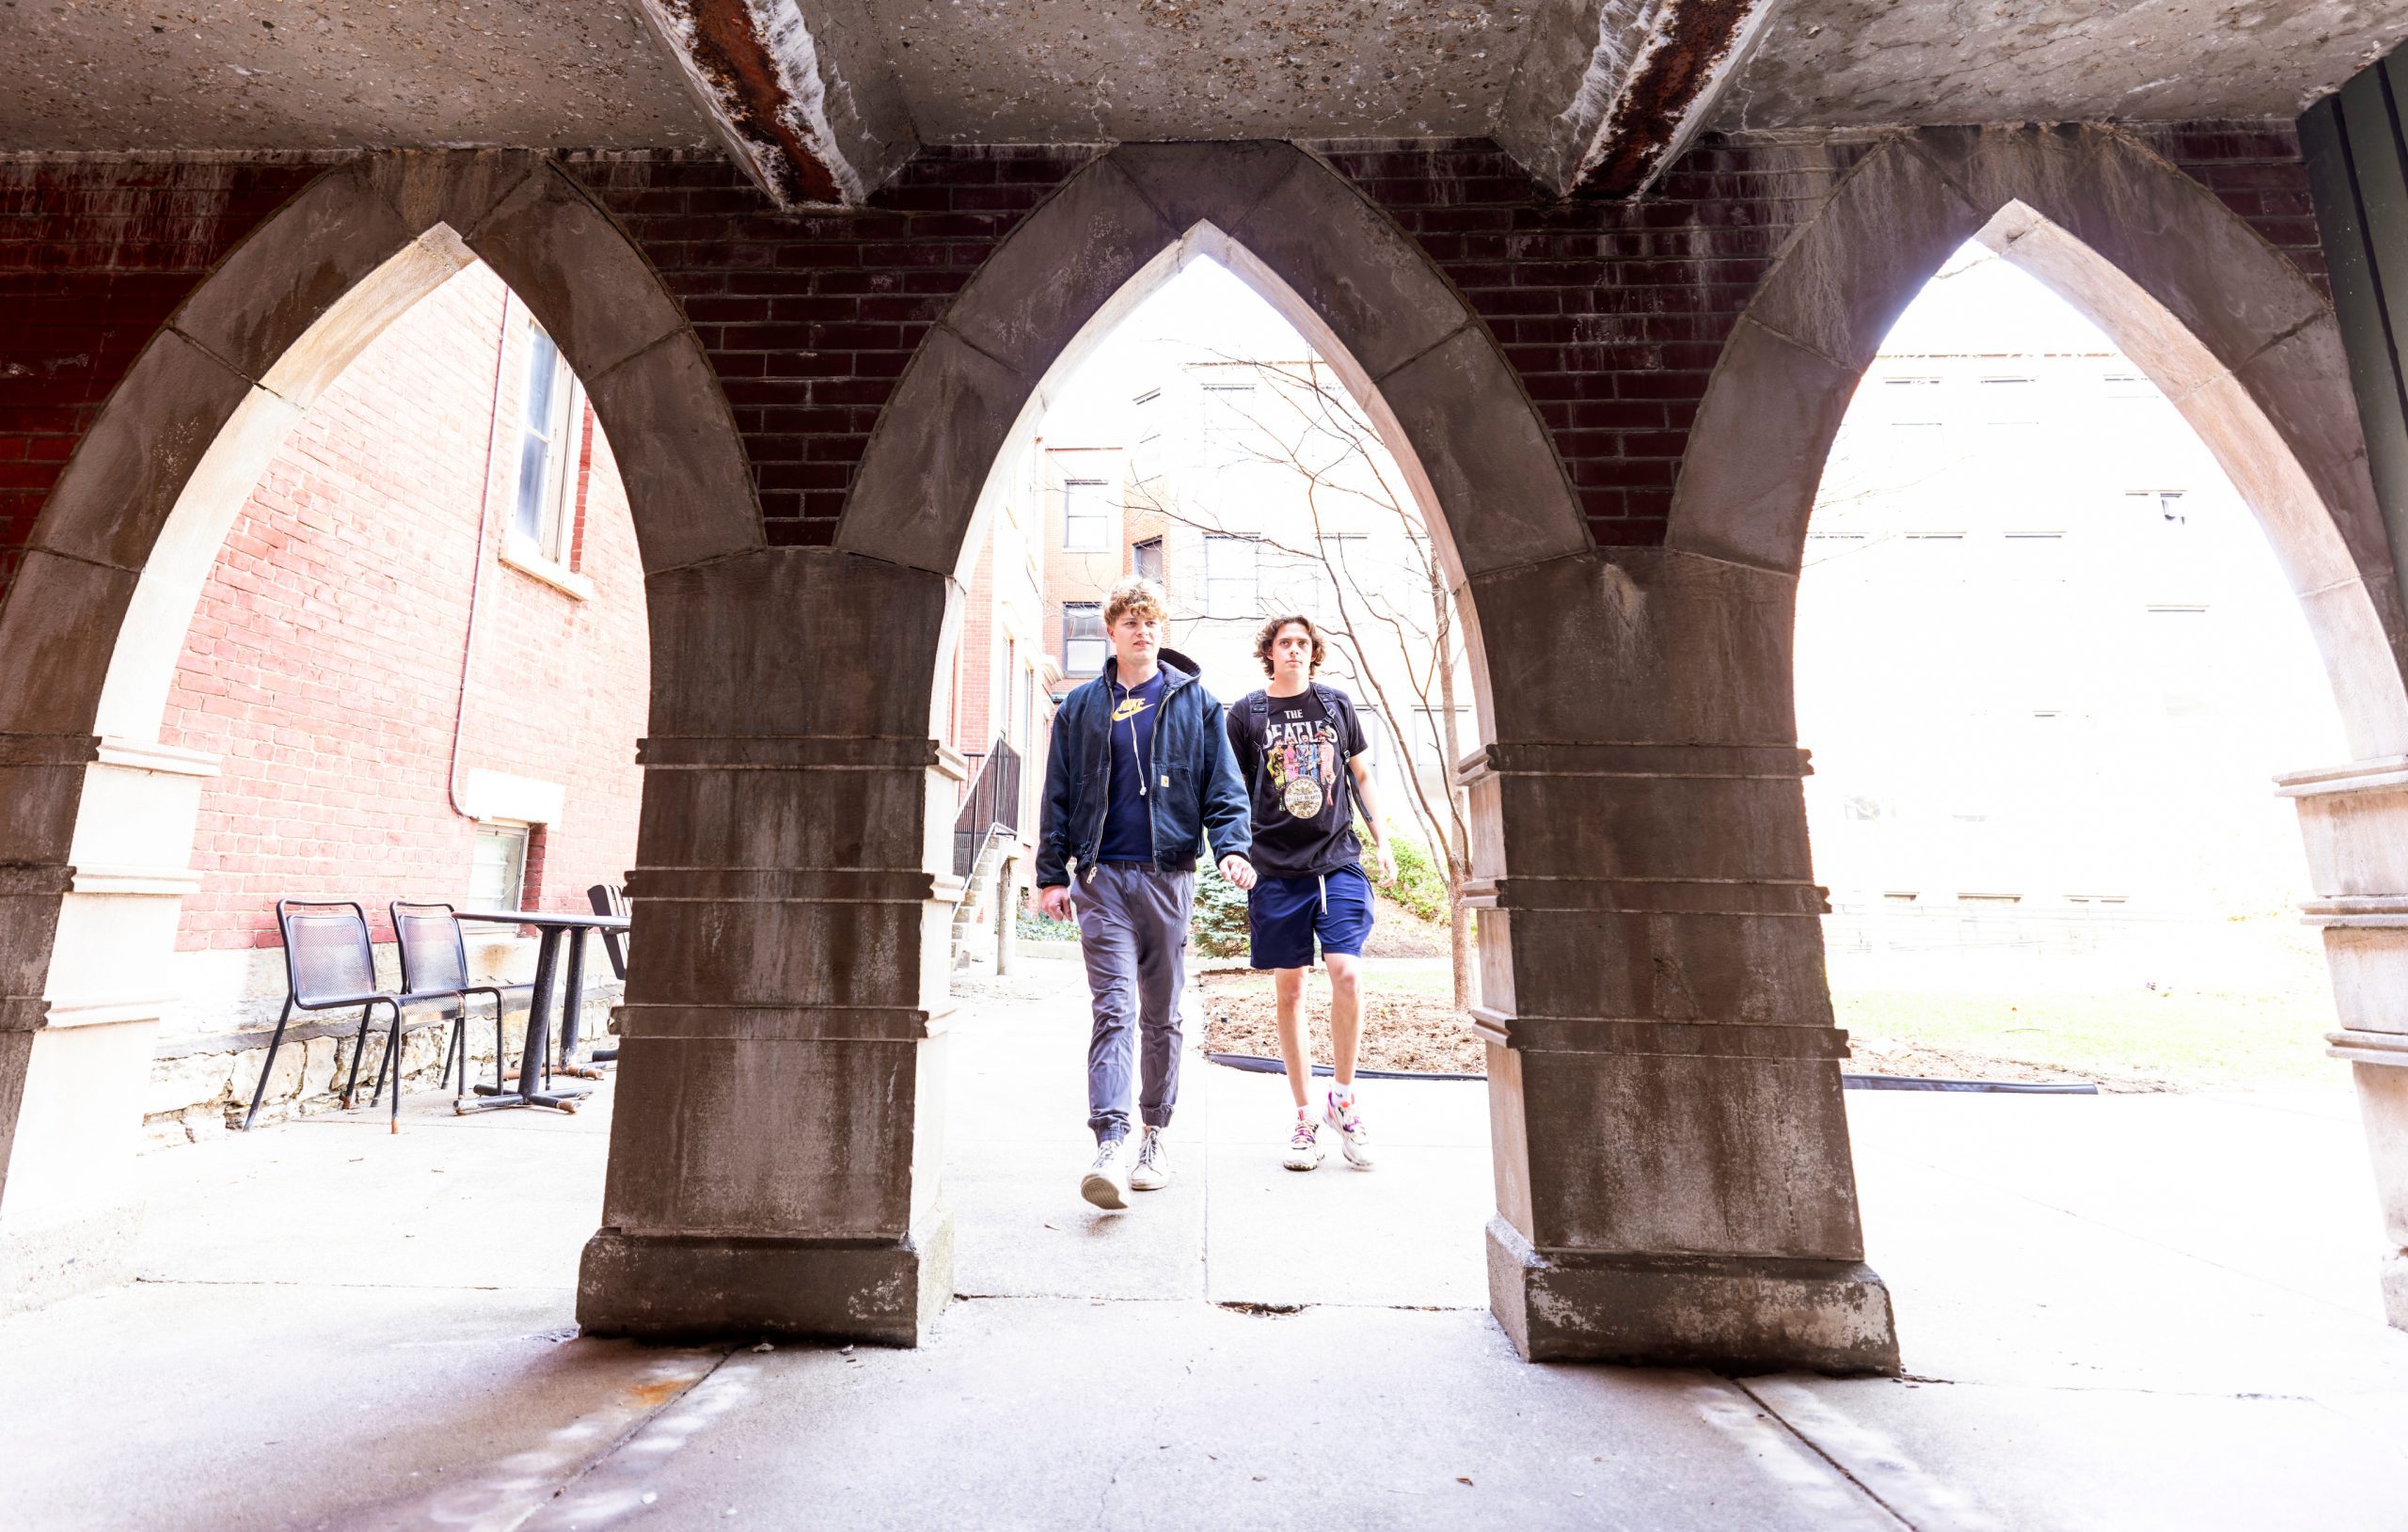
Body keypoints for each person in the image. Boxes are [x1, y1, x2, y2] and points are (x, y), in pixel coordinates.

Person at [1036, 577, 1254, 1210]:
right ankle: (1109, 1142)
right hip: (1102, 878)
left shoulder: (1196, 703)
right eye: (1130, 621)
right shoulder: (1081, 707)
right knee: (1114, 1009)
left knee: (1162, 1013)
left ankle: (1154, 1134)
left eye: (1151, 620)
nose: (1142, 630)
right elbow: (1058, 792)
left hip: (1168, 876)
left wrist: (1232, 847)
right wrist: (1051, 874)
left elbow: (1223, 787)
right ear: (1111, 631)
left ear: (1162, 629)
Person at [1225, 614, 1396, 1172]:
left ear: (1313, 652)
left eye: (1303, 643)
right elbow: (1230, 790)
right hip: (1275, 870)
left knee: (1347, 973)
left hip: (1336, 860)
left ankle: (1342, 1100)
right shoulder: (1247, 713)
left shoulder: (1335, 705)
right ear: (1270, 652)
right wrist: (1235, 851)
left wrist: (1383, 841)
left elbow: (1361, 776)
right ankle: (1304, 1117)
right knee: (1291, 990)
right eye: (1285, 643)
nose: (1294, 650)